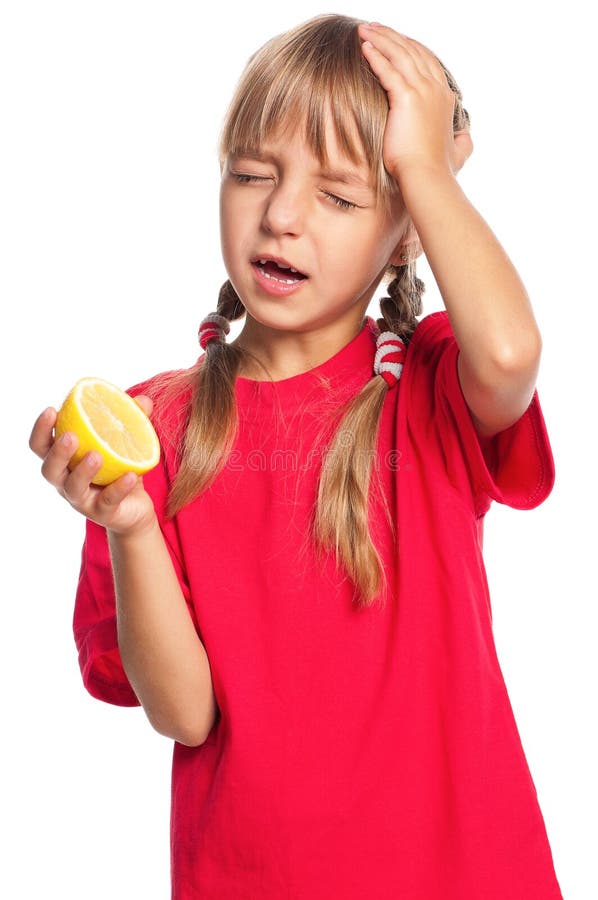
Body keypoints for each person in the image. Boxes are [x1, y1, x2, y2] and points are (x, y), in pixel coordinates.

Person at [29, 13, 564, 900]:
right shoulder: (152, 426)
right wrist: (129, 525)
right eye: (251, 173)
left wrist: (426, 170)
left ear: (406, 233)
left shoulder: (426, 391)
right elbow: (184, 712)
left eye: (341, 196)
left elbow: (510, 353)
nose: (279, 215)